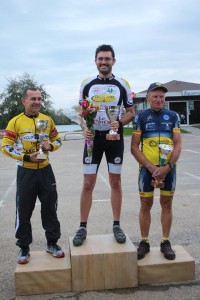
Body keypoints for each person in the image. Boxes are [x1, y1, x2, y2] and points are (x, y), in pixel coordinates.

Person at [73, 44, 134, 246]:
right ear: (95, 61)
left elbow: (131, 112)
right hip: (93, 138)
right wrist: (84, 127)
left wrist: (120, 122)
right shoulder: (87, 84)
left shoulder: (122, 84)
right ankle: (82, 227)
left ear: (113, 61)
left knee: (115, 182)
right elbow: (82, 113)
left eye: (107, 59)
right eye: (100, 59)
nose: (104, 62)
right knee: (88, 184)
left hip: (114, 138)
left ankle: (116, 224)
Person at [1, 87, 65, 264]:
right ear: (24, 101)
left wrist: (50, 147)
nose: (37, 102)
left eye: (39, 98)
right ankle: (23, 247)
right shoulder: (15, 122)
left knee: (50, 208)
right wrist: (26, 157)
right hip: (26, 172)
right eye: (33, 99)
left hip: (45, 170)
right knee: (24, 210)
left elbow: (58, 140)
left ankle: (52, 243)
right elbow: (5, 146)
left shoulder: (47, 119)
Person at [131, 82, 181, 260]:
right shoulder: (141, 117)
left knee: (167, 203)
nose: (158, 99)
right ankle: (144, 241)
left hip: (169, 169)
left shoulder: (173, 116)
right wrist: (151, 167)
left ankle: (165, 242)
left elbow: (177, 144)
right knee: (146, 204)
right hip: (147, 170)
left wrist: (168, 167)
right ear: (148, 98)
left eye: (161, 96)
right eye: (155, 96)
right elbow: (134, 148)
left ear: (164, 98)